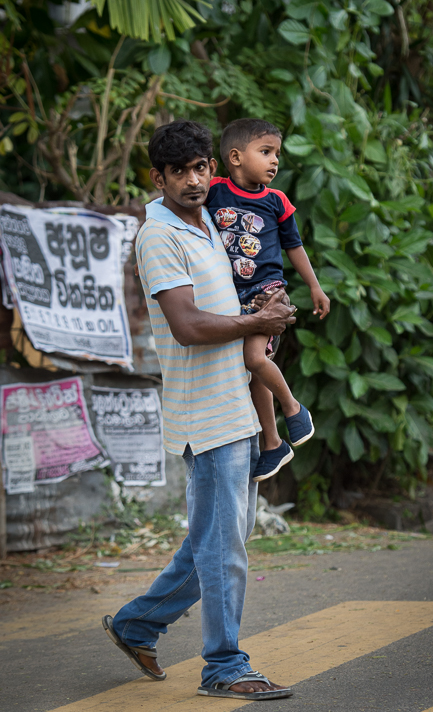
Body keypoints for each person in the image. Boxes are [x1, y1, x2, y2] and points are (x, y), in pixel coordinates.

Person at [102, 119, 296, 701]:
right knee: (223, 548)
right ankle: (224, 666)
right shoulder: (158, 236)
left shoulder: (210, 218)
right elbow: (187, 327)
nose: (194, 180)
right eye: (180, 171)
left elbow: (232, 293)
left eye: (201, 168)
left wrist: (265, 304)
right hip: (206, 415)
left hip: (236, 403)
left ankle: (137, 624)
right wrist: (255, 322)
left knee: (214, 540)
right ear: (158, 177)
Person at [206, 118, 330, 483]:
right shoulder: (214, 191)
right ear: (235, 157)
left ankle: (293, 410)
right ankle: (273, 444)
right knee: (253, 374)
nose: (275, 161)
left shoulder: (277, 201)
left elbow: (295, 246)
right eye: (266, 152)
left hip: (267, 295)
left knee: (254, 359)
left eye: (277, 154)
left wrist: (315, 287)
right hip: (231, 297)